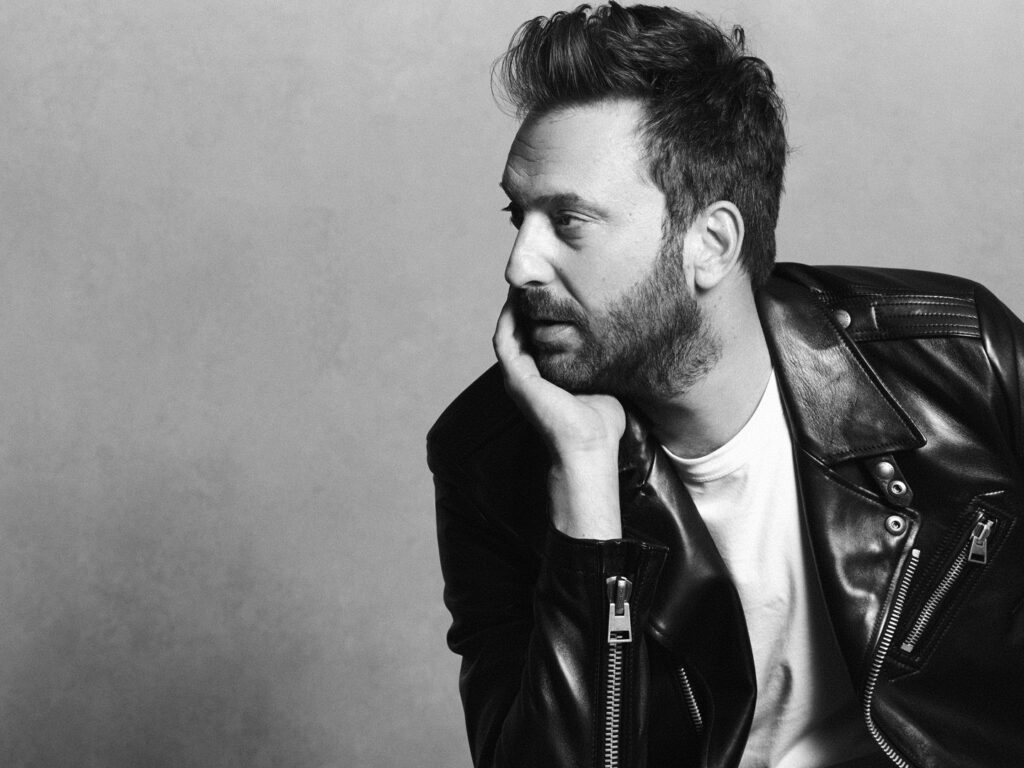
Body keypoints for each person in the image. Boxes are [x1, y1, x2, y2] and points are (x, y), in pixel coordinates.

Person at [426, 4, 1024, 767]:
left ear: (710, 243)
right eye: (519, 216)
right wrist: (585, 499)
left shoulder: (956, 357)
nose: (519, 264)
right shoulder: (488, 460)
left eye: (568, 221)